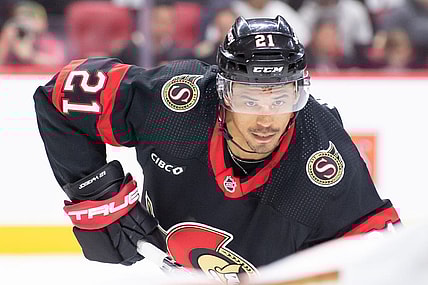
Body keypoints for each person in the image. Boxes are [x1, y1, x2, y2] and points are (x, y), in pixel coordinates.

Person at [33, 16, 400, 283]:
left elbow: (380, 260)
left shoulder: (324, 158)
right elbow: (59, 95)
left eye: (282, 97)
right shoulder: (176, 104)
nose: (266, 120)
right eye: (249, 98)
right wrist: (98, 195)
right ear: (223, 91)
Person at [0, 1, 64, 66]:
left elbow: (58, 63)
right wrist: (5, 40)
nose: (22, 22)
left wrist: (30, 56)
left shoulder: (48, 42)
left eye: (29, 15)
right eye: (17, 17)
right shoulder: (12, 37)